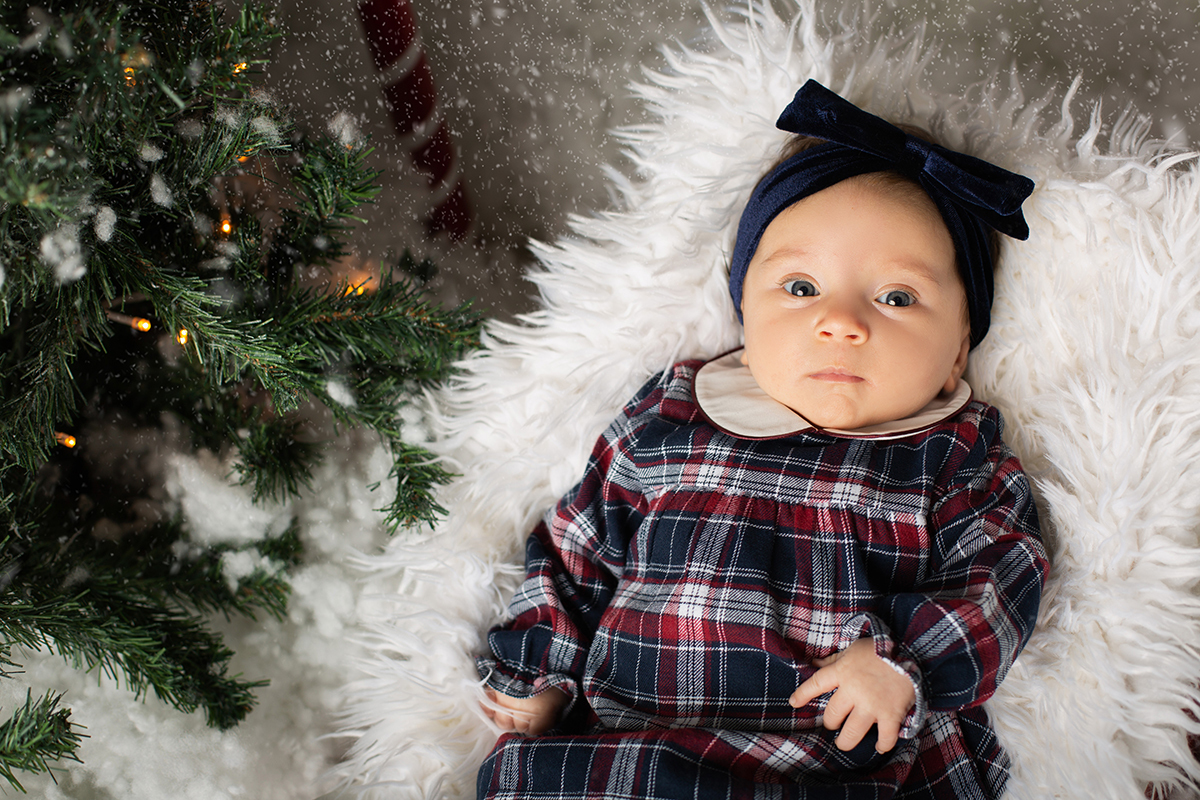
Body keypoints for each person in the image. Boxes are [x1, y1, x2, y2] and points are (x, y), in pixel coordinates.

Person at [475, 79, 1049, 800]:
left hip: (838, 768)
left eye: (897, 297)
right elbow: (576, 542)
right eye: (801, 288)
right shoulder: (673, 412)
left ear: (960, 345)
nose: (841, 321)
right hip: (630, 756)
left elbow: (1004, 573)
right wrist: (540, 662)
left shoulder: (955, 456)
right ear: (745, 309)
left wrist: (908, 664)